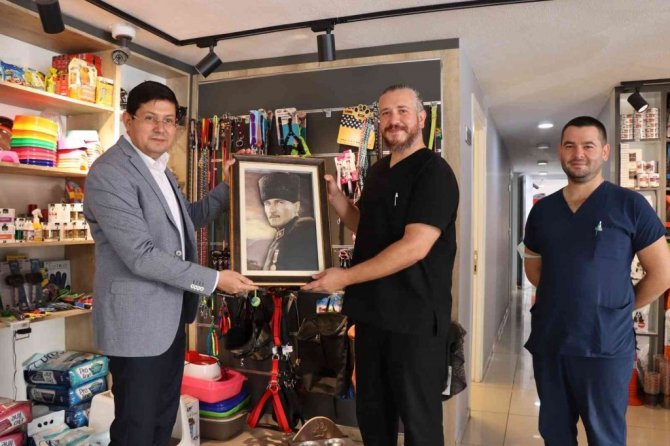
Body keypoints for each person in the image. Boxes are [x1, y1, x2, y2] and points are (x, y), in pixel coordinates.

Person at [83, 81, 257, 446]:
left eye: (169, 120)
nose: (161, 128)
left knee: (162, 421)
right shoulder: (110, 172)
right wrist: (214, 280)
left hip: (169, 319)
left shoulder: (158, 168)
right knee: (136, 428)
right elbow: (141, 254)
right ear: (128, 120)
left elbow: (186, 220)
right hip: (136, 325)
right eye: (150, 118)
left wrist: (228, 186)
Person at [303, 84, 459, 446]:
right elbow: (366, 227)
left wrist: (345, 277)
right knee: (373, 417)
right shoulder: (377, 172)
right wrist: (337, 200)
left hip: (415, 323)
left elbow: (415, 247)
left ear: (421, 118)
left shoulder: (434, 172)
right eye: (386, 113)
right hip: (373, 317)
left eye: (403, 111)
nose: (394, 120)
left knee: (420, 425)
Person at [522, 116, 670, 445]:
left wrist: (620, 306)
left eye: (588, 146)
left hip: (605, 346)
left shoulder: (630, 205)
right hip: (551, 342)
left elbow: (662, 273)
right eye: (570, 146)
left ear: (604, 152)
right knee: (555, 433)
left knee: (605, 437)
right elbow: (534, 269)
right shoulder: (543, 211)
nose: (579, 154)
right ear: (560, 151)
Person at [257, 171, 318, 271]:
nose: (272, 210)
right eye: (267, 203)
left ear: (296, 206)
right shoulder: (281, 236)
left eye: (280, 202)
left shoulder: (304, 228)